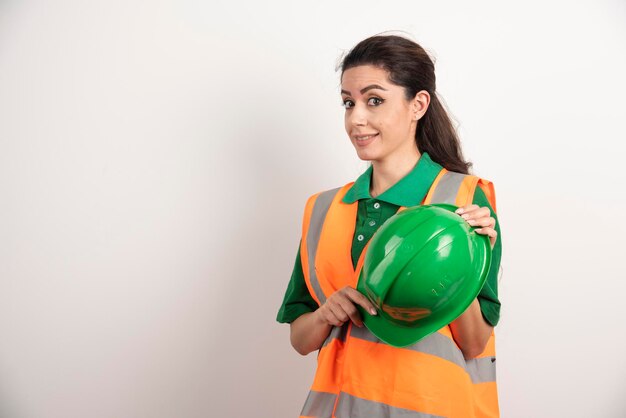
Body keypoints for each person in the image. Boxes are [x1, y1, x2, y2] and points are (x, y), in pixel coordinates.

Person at [276, 34, 502, 418]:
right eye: (348, 102)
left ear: (418, 104)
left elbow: (475, 342)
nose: (355, 118)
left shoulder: (464, 200)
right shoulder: (323, 209)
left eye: (374, 100)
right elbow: (300, 339)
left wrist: (461, 262)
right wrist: (326, 314)